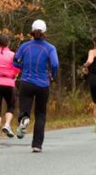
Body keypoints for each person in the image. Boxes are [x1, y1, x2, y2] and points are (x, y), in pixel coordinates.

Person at [13, 20, 59, 152]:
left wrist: (23, 67)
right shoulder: (50, 48)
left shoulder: (25, 46)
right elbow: (55, 64)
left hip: (26, 82)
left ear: (32, 31)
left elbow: (15, 61)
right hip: (42, 84)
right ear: (45, 32)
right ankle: (37, 145)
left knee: (25, 108)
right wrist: (52, 75)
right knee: (40, 114)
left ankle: (24, 119)